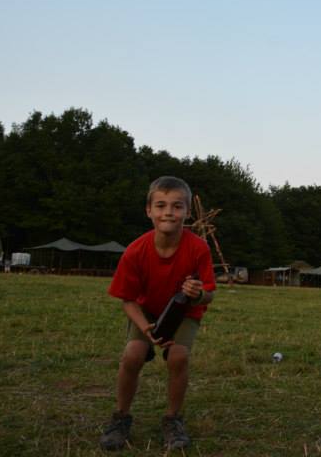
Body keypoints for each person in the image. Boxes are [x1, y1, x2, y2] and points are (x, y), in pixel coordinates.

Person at [99, 176, 217, 451]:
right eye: (161, 205)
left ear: (187, 212)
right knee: (132, 355)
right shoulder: (135, 251)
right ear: (149, 210)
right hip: (146, 310)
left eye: (177, 206)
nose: (168, 212)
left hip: (183, 311)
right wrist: (146, 327)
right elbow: (127, 299)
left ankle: (173, 419)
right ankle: (120, 418)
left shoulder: (198, 248)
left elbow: (210, 292)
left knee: (178, 356)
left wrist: (197, 292)